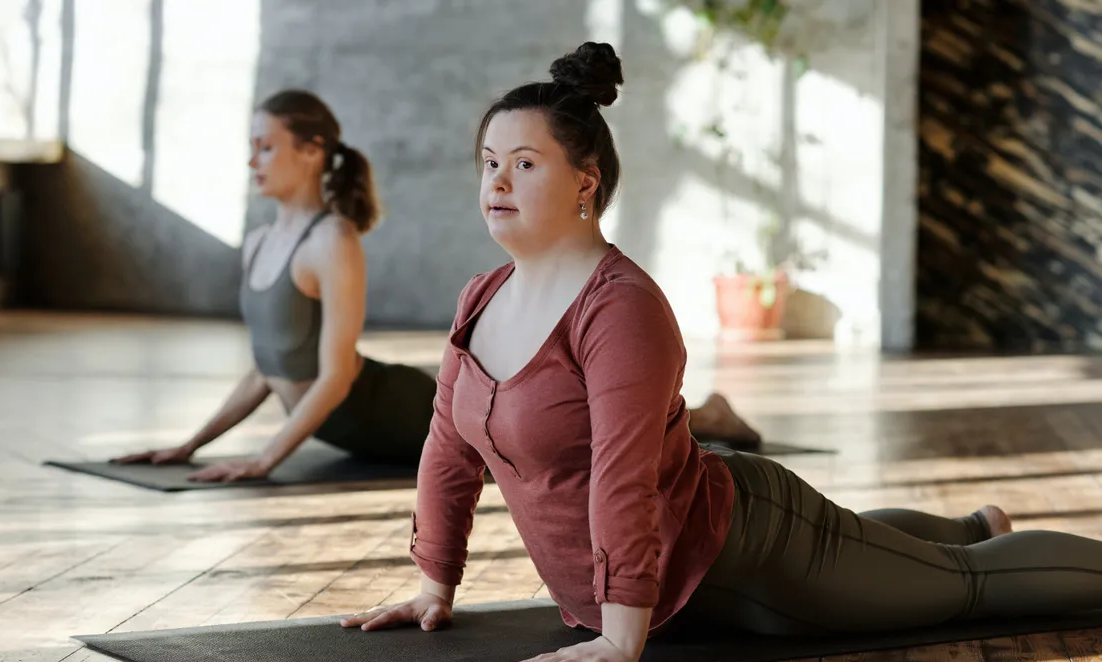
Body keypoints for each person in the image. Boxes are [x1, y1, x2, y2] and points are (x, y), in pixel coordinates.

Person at [338, 42, 1102, 662]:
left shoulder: (620, 307)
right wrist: (435, 583)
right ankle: (973, 523)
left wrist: (620, 636)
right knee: (892, 550)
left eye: (526, 163)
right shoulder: (480, 295)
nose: (497, 180)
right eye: (488, 161)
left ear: (585, 183)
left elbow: (622, 475)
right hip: (662, 579)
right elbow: (447, 449)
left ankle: (976, 545)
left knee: (969, 588)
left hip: (747, 556)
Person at [112, 88, 761, 483]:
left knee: (564, 433)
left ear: (311, 151)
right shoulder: (258, 241)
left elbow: (333, 378)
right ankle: (704, 412)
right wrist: (189, 444)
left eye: (264, 146)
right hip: (350, 426)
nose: (251, 160)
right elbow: (268, 367)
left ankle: (707, 416)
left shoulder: (332, 240)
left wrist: (265, 458)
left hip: (394, 410)